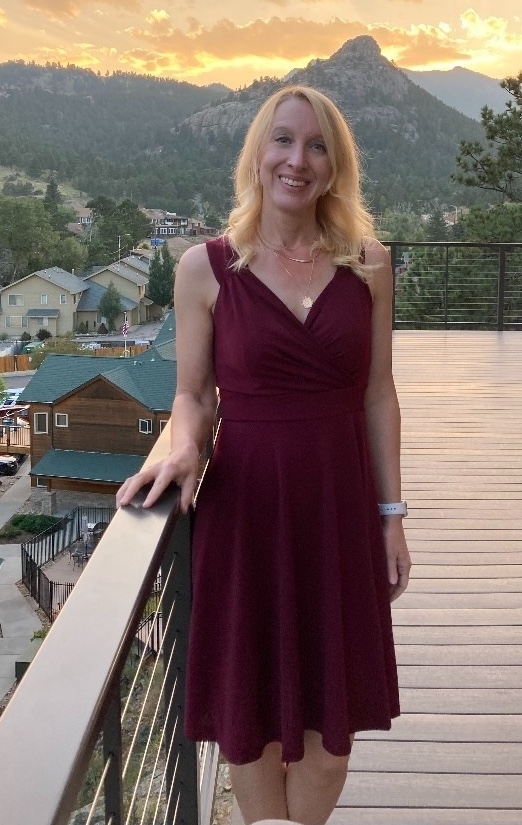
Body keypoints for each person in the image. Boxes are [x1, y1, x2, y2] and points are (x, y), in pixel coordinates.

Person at [117, 85, 412, 825]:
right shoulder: (205, 269)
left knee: (330, 735)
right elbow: (193, 395)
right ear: (257, 153)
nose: (297, 160)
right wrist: (182, 448)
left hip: (338, 509)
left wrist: (392, 515)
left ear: (336, 167)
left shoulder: (370, 265)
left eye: (317, 146)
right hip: (246, 510)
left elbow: (378, 394)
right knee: (251, 720)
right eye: (283, 140)